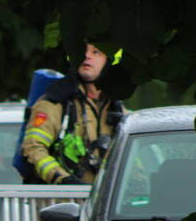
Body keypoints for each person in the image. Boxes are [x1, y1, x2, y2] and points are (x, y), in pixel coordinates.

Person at [21, 43, 124, 185]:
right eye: (82, 50)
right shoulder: (55, 102)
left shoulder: (117, 110)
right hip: (62, 197)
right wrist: (63, 180)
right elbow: (33, 148)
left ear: (109, 61)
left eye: (96, 52)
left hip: (102, 197)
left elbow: (131, 158)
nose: (86, 56)